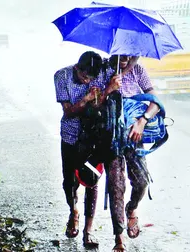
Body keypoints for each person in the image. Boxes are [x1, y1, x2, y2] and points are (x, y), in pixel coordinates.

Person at [53, 51, 122, 248]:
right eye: (84, 76)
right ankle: (73, 210)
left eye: (91, 78)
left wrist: (113, 84)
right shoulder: (61, 76)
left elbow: (123, 63)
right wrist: (87, 98)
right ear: (77, 68)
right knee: (70, 181)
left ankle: (88, 230)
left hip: (94, 137)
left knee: (92, 180)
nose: (87, 80)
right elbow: (68, 112)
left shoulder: (102, 73)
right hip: (71, 135)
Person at [102, 55, 161, 251]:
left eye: (129, 52)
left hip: (135, 138)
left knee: (142, 181)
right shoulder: (102, 71)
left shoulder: (138, 70)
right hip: (111, 138)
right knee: (116, 187)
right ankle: (119, 237)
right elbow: (93, 102)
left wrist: (142, 120)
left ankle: (132, 208)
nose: (125, 57)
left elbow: (155, 101)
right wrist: (109, 88)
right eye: (121, 53)